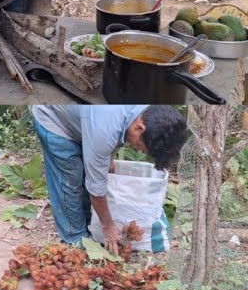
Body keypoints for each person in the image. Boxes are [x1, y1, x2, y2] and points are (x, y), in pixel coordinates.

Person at [31, 105, 188, 255]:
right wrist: (108, 227)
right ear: (139, 128)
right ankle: (74, 240)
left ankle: (86, 224)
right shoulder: (104, 130)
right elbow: (97, 191)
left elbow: (117, 131)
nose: (139, 149)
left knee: (90, 175)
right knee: (70, 181)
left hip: (88, 123)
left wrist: (109, 157)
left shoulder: (146, 112)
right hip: (54, 120)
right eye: (141, 146)